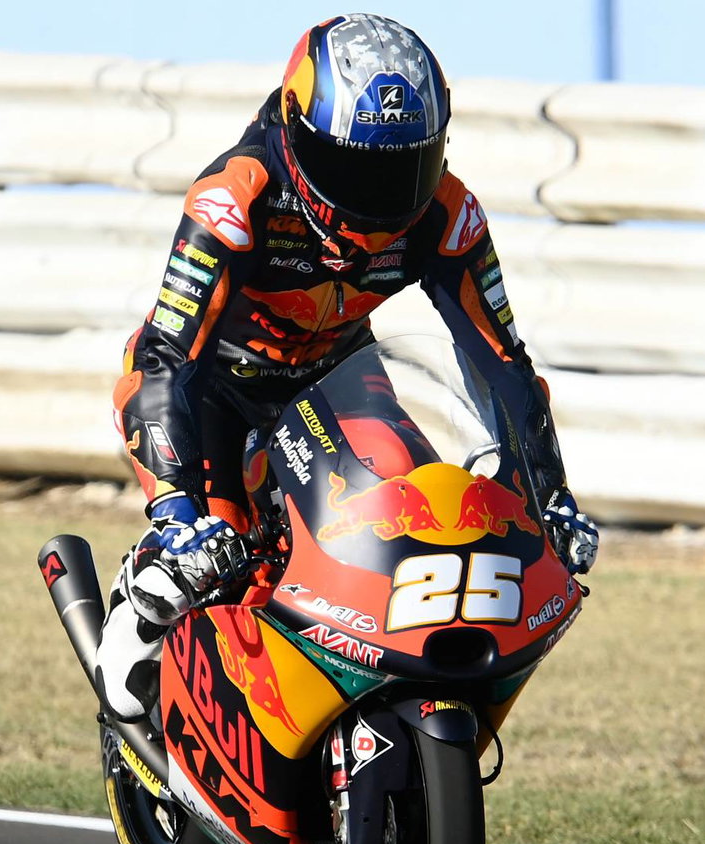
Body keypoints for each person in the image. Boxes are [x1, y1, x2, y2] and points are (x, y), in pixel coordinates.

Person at [94, 12, 598, 720]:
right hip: (208, 389)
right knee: (214, 551)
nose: (376, 199)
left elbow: (502, 364)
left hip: (334, 379)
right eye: (351, 168)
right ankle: (141, 611)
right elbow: (164, 358)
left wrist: (550, 495)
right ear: (298, 132)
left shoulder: (448, 215)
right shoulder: (234, 196)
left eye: (401, 171)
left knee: (414, 514)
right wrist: (175, 510)